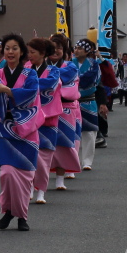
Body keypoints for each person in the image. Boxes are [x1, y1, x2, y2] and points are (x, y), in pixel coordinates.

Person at [0, 33, 40, 232]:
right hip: (4, 128)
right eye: (7, 48)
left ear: (22, 52)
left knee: (24, 176)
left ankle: (21, 216)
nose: (10, 51)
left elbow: (31, 94)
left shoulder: (30, 73)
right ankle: (8, 210)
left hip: (26, 129)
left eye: (15, 48)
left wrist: (7, 90)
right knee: (7, 174)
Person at [27, 37, 60, 205]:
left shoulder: (53, 71)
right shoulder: (25, 68)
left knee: (44, 158)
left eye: (32, 52)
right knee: (30, 155)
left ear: (43, 53)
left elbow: (49, 84)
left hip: (48, 119)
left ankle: (41, 191)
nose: (29, 55)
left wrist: (30, 82)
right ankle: (31, 186)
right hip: (28, 118)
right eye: (28, 52)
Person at [48, 33, 80, 191]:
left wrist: (47, 80)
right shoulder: (39, 66)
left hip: (65, 109)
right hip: (45, 109)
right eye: (52, 48)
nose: (55, 51)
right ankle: (40, 179)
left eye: (59, 48)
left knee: (63, 143)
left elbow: (60, 83)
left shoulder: (70, 66)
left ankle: (60, 178)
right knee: (43, 144)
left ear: (64, 50)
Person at [73, 39, 100, 170]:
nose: (76, 50)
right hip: (72, 102)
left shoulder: (94, 64)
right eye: (76, 47)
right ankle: (73, 160)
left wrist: (77, 79)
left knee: (89, 132)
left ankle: (87, 161)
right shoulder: (69, 63)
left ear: (87, 51)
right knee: (72, 131)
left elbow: (94, 79)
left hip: (88, 100)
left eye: (80, 48)